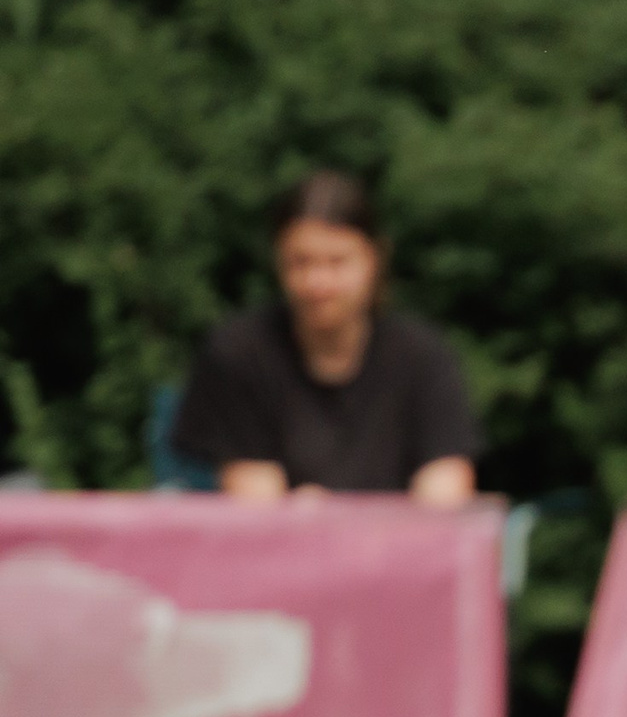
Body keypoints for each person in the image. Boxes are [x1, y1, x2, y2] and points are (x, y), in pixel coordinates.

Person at [173, 171, 480, 507]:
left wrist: (341, 521)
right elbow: (256, 510)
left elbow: (446, 497)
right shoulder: (238, 353)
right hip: (284, 538)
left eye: (337, 262)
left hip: (393, 540)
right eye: (301, 262)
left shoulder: (424, 357)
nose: (318, 282)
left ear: (374, 259)